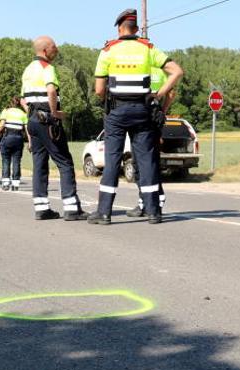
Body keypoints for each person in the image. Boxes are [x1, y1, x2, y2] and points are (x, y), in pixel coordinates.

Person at [88, 9, 183, 225]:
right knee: (146, 159)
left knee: (112, 159)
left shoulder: (108, 50)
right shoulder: (148, 48)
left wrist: (109, 101)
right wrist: (158, 94)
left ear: (119, 28)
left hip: (116, 111)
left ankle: (104, 212)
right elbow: (177, 71)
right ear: (136, 28)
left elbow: (99, 90)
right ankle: (153, 211)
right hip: (143, 110)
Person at [21, 36, 88, 221]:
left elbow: (22, 99)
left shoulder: (27, 70)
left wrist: (33, 113)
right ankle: (72, 208)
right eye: (53, 47)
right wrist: (54, 113)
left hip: (33, 120)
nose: (56, 49)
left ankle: (42, 208)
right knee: (64, 162)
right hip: (47, 120)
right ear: (44, 50)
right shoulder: (47, 68)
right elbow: (51, 91)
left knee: (39, 164)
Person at [127, 63, 174, 218]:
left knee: (141, 163)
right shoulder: (161, 73)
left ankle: (150, 200)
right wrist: (162, 111)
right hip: (154, 117)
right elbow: (171, 93)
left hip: (140, 117)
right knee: (150, 161)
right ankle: (148, 201)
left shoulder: (138, 69)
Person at [0, 96, 30, 191]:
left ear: (11, 103)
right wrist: (30, 142)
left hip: (8, 137)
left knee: (6, 160)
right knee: (16, 161)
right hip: (18, 139)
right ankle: (15, 184)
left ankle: (5, 183)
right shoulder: (23, 113)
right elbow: (27, 129)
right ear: (18, 104)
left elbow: (1, 125)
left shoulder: (6, 111)